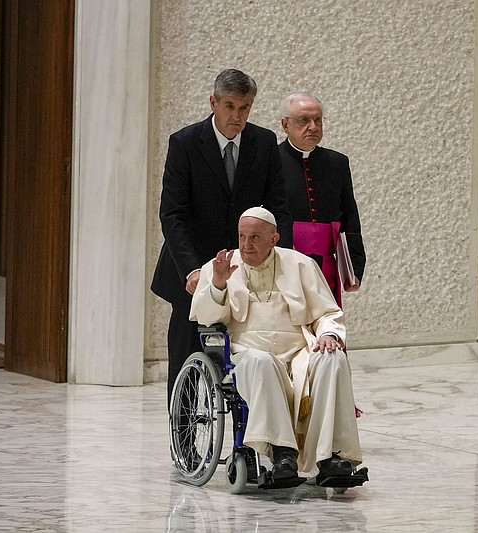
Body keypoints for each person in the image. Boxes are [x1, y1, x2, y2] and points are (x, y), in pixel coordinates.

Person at [189, 207, 365, 487]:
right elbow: (208, 320)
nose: (246, 246)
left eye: (255, 238)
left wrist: (329, 335)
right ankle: (283, 453)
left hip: (299, 352)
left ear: (274, 239)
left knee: (333, 359)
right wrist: (219, 286)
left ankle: (330, 456)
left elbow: (327, 313)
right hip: (247, 352)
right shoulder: (221, 266)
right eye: (242, 237)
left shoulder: (301, 264)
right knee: (262, 362)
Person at [151, 69, 293, 409]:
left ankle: (252, 434)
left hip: (248, 265)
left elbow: (277, 209)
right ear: (213, 103)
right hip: (192, 268)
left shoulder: (263, 143)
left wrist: (275, 259)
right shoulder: (184, 143)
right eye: (230, 107)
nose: (237, 117)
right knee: (186, 351)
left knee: (250, 350)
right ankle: (183, 431)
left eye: (245, 108)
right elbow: (172, 214)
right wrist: (191, 271)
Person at [278, 92, 366, 307]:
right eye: (303, 120)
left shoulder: (337, 163)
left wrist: (354, 267)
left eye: (318, 119)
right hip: (283, 262)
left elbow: (350, 215)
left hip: (326, 264)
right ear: (285, 124)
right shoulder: (271, 162)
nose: (313, 126)